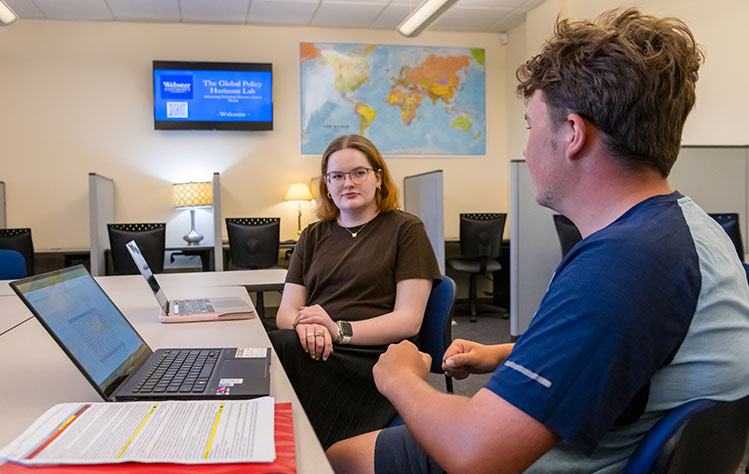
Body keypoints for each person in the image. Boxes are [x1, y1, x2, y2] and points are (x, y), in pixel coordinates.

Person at [327, 8, 749, 473]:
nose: (526, 149)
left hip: (535, 458)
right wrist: (506, 353)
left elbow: (475, 454)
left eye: (530, 127)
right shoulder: (690, 229)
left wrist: (400, 379)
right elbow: (632, 347)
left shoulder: (623, 265)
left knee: (338, 457)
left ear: (572, 133)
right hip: (592, 436)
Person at [269, 134, 441, 449]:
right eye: (337, 176)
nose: (348, 183)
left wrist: (337, 330)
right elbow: (286, 312)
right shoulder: (312, 236)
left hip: (374, 356)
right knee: (267, 341)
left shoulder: (406, 229)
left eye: (358, 173)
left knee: (280, 348)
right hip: (317, 346)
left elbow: (409, 320)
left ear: (378, 177)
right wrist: (306, 327)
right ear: (326, 184)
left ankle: (304, 452)